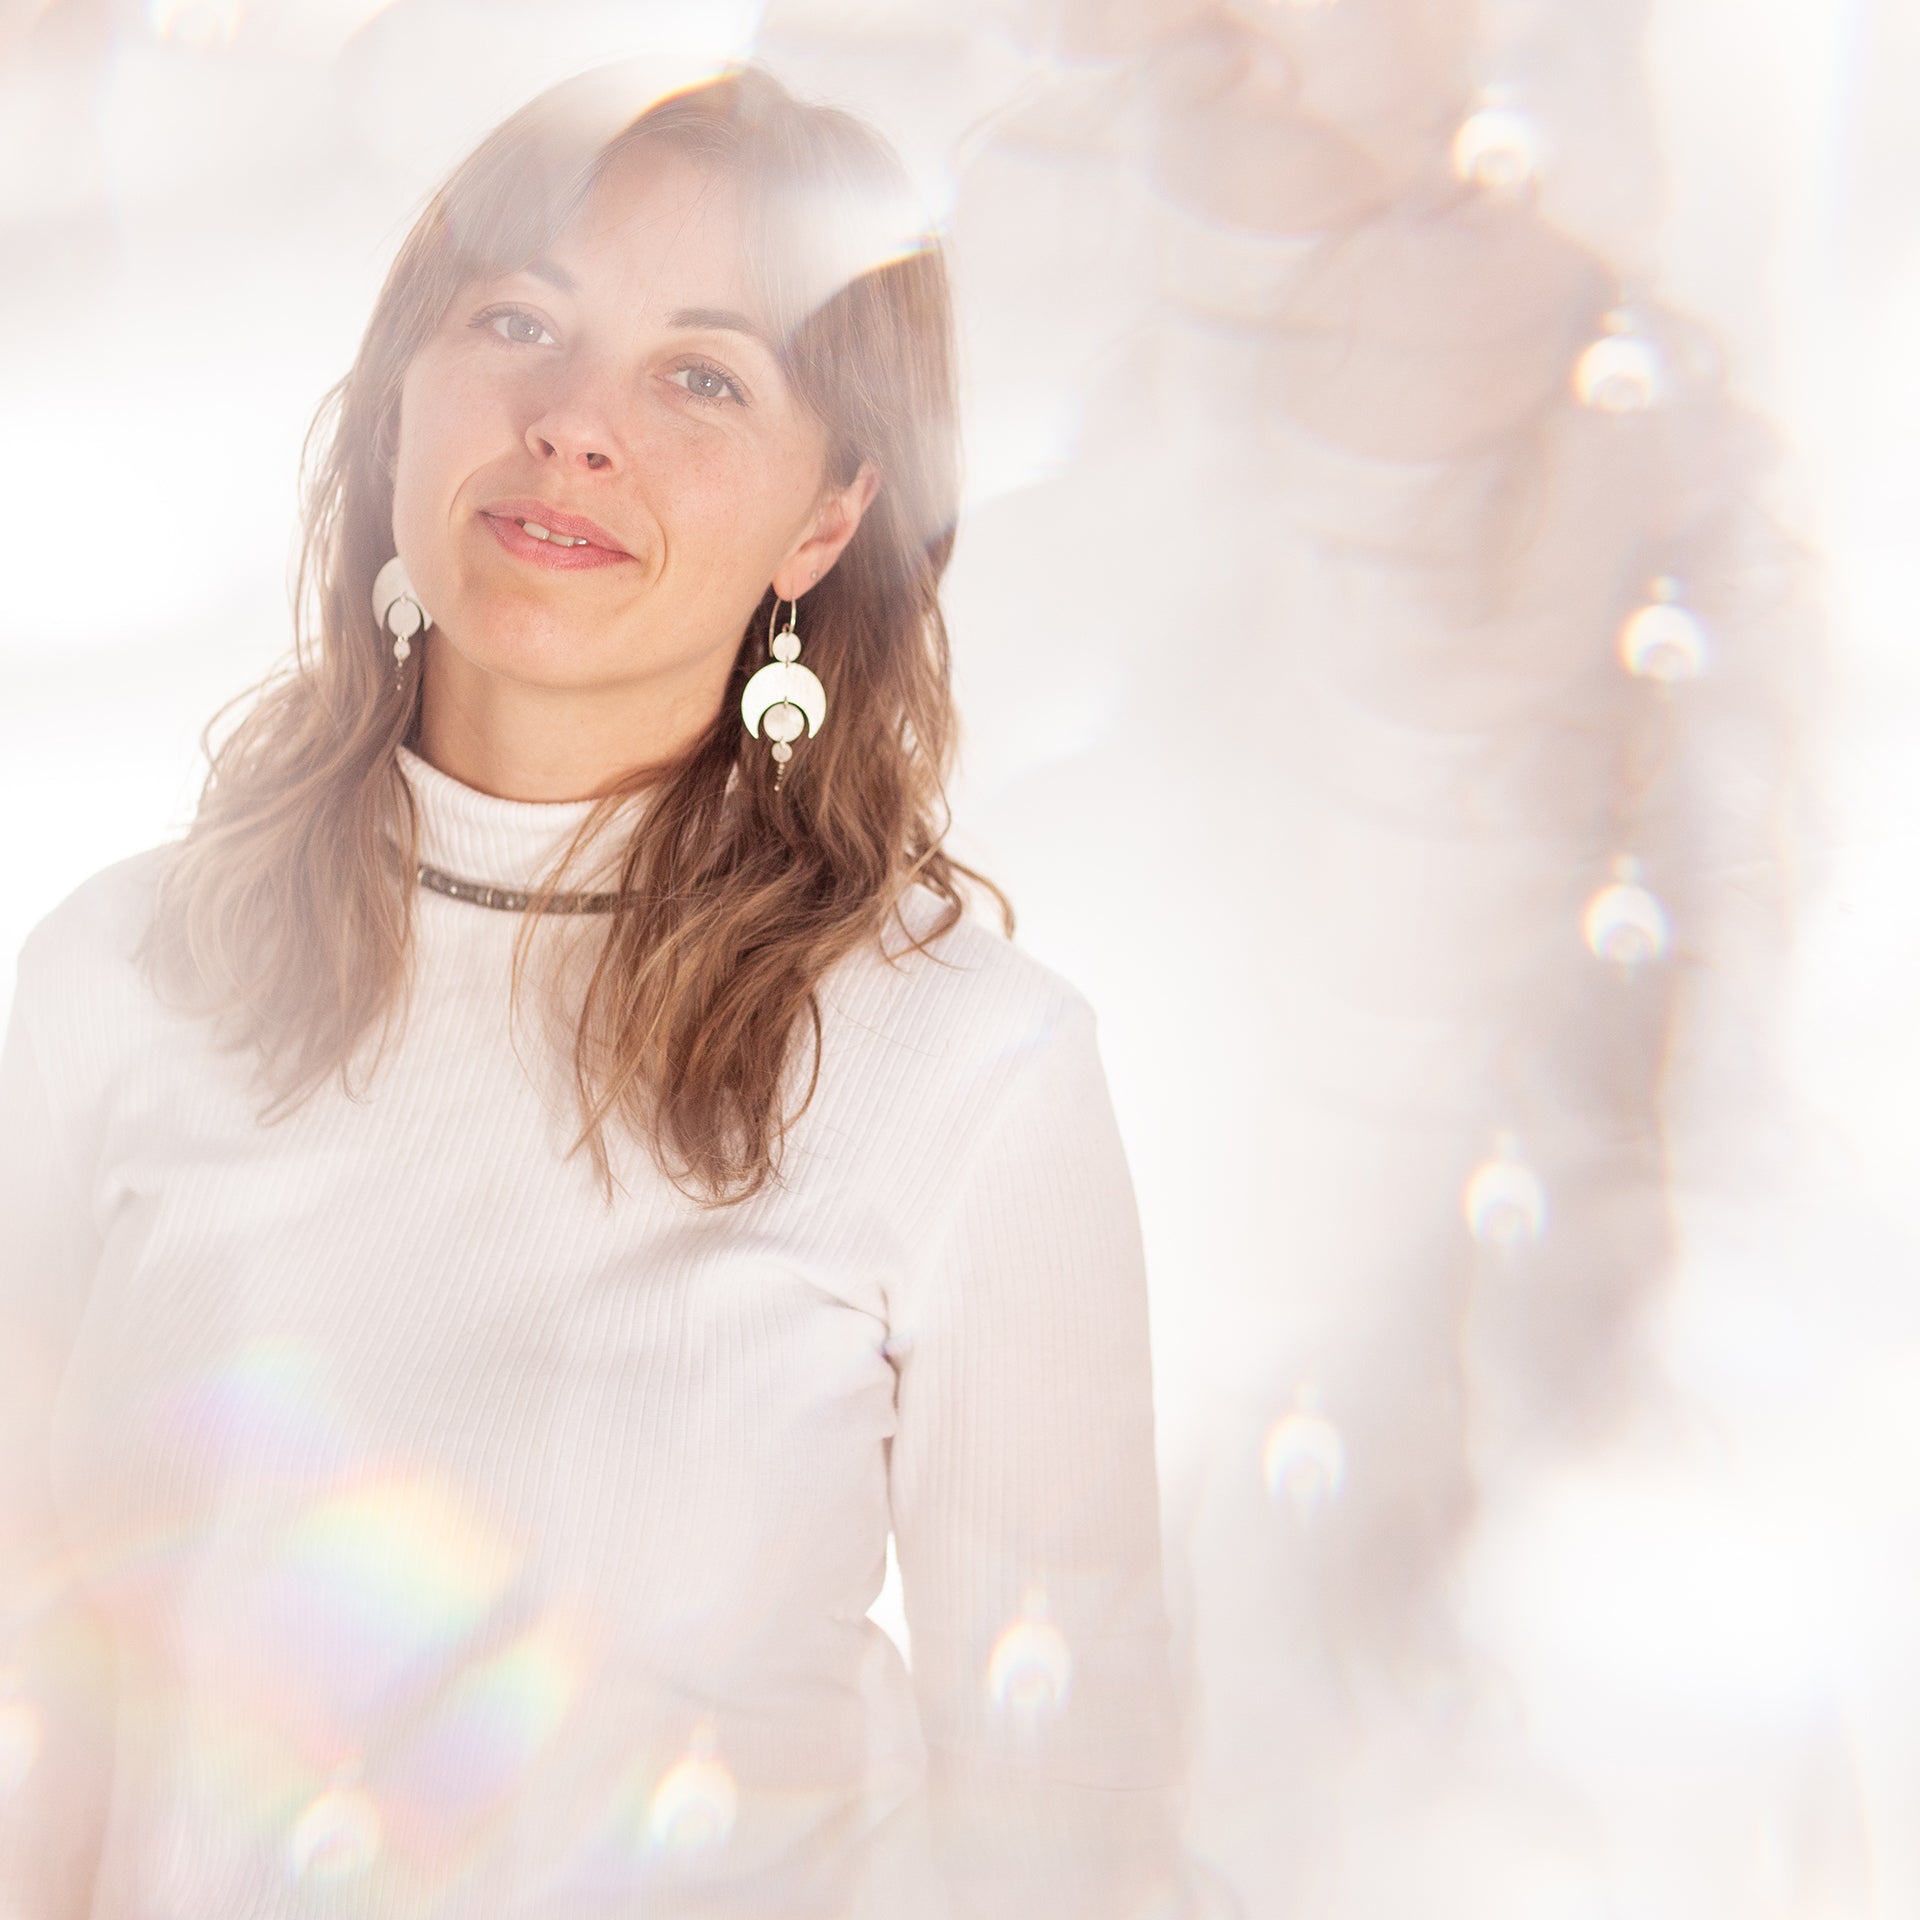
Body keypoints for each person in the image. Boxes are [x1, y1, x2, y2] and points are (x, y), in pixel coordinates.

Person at [0, 60, 1187, 1920]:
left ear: (826, 520)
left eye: (702, 375)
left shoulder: (968, 1071)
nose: (573, 426)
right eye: (519, 322)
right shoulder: (118, 984)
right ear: (402, 399)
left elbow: (1072, 1828)